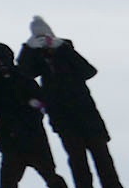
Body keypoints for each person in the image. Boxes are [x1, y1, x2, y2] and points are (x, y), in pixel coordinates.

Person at [32, 23, 118, 188]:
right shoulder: (38, 60)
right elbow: (26, 71)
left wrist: (62, 48)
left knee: (102, 159)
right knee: (78, 162)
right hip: (64, 120)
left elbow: (89, 71)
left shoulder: (66, 52)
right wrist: (29, 48)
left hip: (86, 117)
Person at [0, 39, 70, 188]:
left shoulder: (20, 78)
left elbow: (37, 103)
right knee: (12, 181)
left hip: (28, 139)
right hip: (15, 140)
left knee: (48, 176)